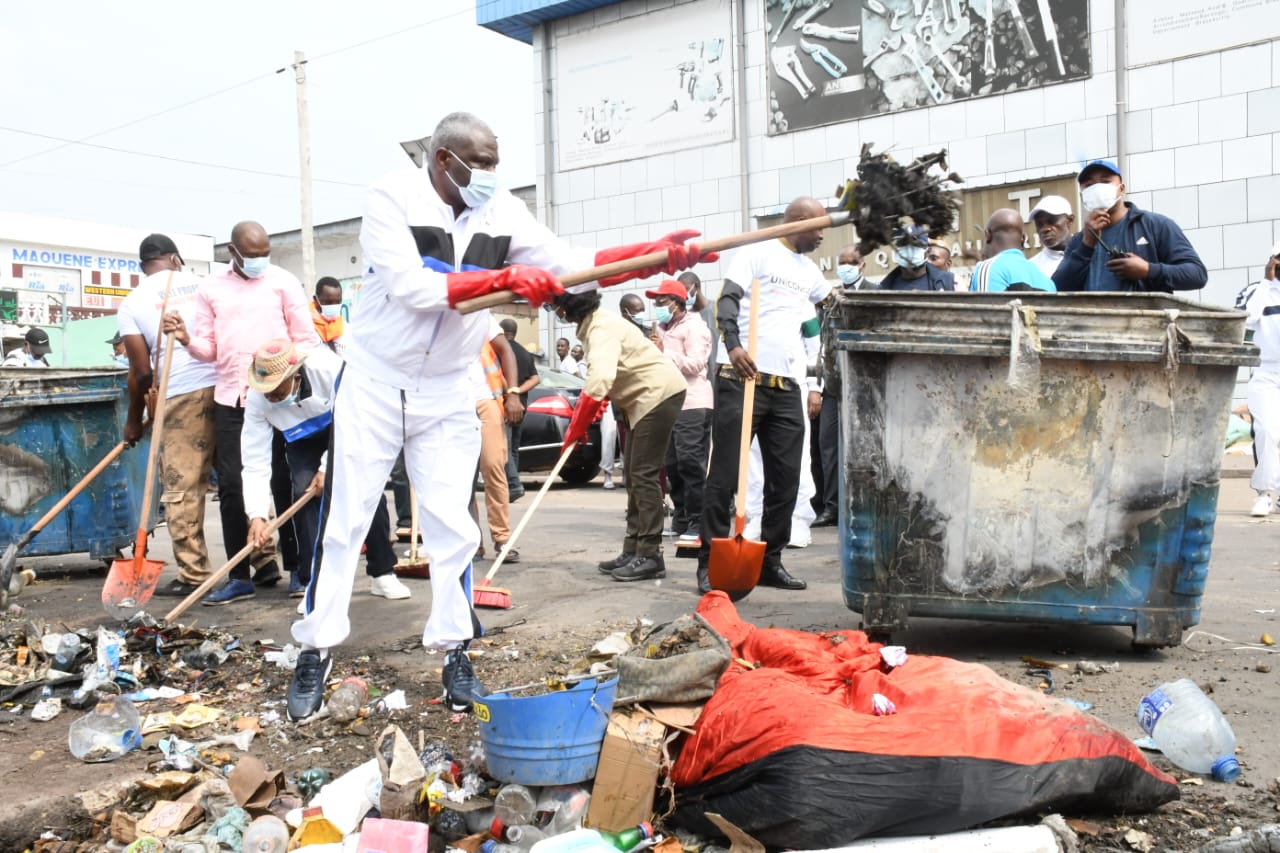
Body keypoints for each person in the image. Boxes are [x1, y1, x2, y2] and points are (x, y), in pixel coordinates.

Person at [283, 111, 709, 721]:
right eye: (479, 163)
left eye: (493, 164)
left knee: (453, 524)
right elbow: (412, 287)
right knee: (348, 518)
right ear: (443, 160)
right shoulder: (389, 197)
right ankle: (317, 647)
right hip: (377, 378)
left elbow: (568, 263)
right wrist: (505, 278)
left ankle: (456, 645)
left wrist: (648, 258)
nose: (488, 175)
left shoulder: (501, 209)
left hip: (450, 383)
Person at [165, 220, 320, 605]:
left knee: (288, 484)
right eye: (251, 256)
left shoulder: (283, 281)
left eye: (264, 254)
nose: (259, 262)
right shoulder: (210, 289)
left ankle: (300, 571)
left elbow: (306, 340)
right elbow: (210, 348)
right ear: (231, 253)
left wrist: (288, 376)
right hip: (233, 397)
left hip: (281, 396)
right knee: (234, 487)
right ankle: (239, 576)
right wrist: (186, 338)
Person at [696, 196, 832, 594]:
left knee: (786, 481)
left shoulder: (810, 272)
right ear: (797, 221)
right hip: (743, 377)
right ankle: (708, 564)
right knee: (724, 476)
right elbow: (727, 300)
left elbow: (831, 304)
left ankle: (770, 561)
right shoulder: (757, 253)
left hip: (787, 386)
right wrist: (734, 345)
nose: (823, 234)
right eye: (818, 226)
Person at [241, 339, 410, 600]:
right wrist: (257, 515)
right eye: (266, 391)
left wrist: (327, 465)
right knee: (304, 495)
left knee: (366, 490)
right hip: (300, 439)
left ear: (295, 375)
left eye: (276, 390)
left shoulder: (328, 368)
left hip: (345, 426)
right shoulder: (256, 399)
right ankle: (314, 587)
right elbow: (254, 461)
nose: (270, 396)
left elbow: (354, 418)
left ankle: (382, 573)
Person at [558, 290, 688, 582]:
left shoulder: (601, 328)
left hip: (657, 395)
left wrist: (576, 427)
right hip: (644, 400)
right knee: (633, 474)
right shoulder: (597, 323)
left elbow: (600, 380)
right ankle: (633, 549)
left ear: (566, 311)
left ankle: (650, 555)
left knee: (643, 474)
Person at [117, 233, 219, 597]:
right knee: (239, 481)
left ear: (143, 266)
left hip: (181, 394)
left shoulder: (133, 301)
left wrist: (133, 420)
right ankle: (261, 561)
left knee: (182, 487)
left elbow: (141, 372)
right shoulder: (208, 284)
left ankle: (194, 574)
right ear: (175, 259)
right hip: (228, 387)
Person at [1052, 159, 1208, 293]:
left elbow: (1197, 275)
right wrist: (1086, 246)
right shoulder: (1079, 240)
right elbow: (1057, 289)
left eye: (1105, 181)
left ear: (1121, 188)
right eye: (1089, 185)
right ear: (1082, 195)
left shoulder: (1154, 225)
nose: (1098, 189)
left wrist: (1148, 270)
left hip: (1145, 325)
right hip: (1094, 326)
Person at [646, 279, 712, 547]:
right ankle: (682, 517)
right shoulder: (661, 329)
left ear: (676, 302)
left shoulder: (695, 327)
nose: (658, 307)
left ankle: (699, 521)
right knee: (672, 464)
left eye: (661, 302)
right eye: (656, 302)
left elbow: (697, 364)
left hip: (693, 403)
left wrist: (665, 353)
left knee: (690, 463)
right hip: (668, 402)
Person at [469, 320, 525, 562]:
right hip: (451, 405)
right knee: (461, 480)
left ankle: (502, 539)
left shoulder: (481, 315)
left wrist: (512, 394)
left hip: (486, 400)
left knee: (494, 468)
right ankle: (472, 543)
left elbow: (506, 351)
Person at [1244, 242, 1280, 517]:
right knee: (1267, 431)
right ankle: (1265, 493)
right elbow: (1246, 319)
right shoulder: (1258, 292)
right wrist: (1267, 283)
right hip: (1267, 372)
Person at [499, 318, 540, 502]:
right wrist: (518, 391)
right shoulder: (524, 352)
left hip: (506, 404)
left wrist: (510, 392)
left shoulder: (499, 350)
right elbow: (535, 379)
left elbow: (498, 375)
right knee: (513, 448)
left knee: (504, 448)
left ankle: (514, 485)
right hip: (521, 405)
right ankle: (511, 485)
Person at [969, 209, 1057, 292]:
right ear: (1023, 239)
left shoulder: (988, 269)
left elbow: (985, 307)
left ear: (988, 235)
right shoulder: (1047, 282)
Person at [878, 226, 953, 291]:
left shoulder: (949, 282)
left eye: (915, 244)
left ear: (927, 252)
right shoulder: (884, 287)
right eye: (903, 244)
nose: (909, 249)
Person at [678, 271, 717, 383]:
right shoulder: (687, 318)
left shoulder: (719, 309)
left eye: (686, 289)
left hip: (721, 376)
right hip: (700, 380)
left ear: (697, 286)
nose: (683, 295)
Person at [1027, 195, 1074, 277]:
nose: (1045, 229)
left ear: (1070, 220)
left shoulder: (1091, 256)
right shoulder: (1031, 268)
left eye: (1051, 222)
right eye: (1039, 224)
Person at [311, 276, 347, 354]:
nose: (334, 306)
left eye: (338, 302)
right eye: (328, 302)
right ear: (315, 299)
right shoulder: (307, 328)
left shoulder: (345, 327)